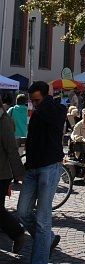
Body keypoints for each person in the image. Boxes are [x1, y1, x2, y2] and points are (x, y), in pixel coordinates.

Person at [17, 81, 67, 263]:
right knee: (22, 212)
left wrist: (46, 101)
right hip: (32, 168)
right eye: (32, 101)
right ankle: (49, 239)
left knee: (42, 218)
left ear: (46, 97)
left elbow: (53, 118)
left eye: (37, 100)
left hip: (49, 167)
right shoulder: (38, 111)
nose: (34, 104)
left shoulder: (56, 109)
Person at [0, 96, 26, 254]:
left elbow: (11, 150)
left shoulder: (4, 121)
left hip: (1, 174)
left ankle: (17, 233)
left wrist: (19, 174)